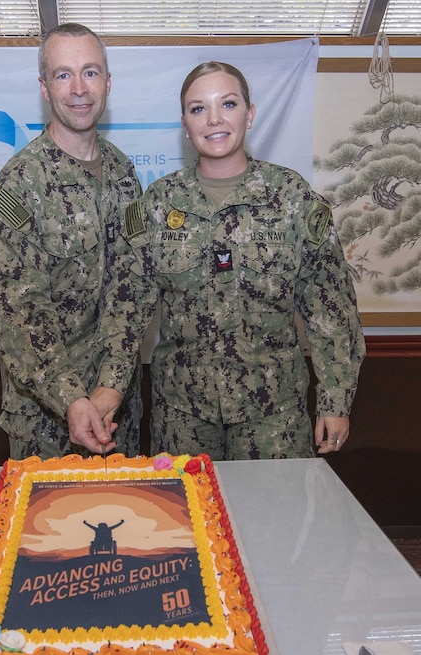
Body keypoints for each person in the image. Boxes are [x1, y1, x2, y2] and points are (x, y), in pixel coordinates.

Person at [108, 61, 365, 460]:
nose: (214, 119)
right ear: (185, 123)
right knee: (188, 519)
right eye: (198, 109)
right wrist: (109, 388)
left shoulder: (293, 199)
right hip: (182, 416)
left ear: (250, 113)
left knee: (272, 521)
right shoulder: (157, 205)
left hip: (273, 417)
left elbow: (331, 309)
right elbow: (126, 311)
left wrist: (335, 400)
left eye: (227, 104)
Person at [0, 23, 143, 460]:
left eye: (90, 73)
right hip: (46, 420)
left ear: (108, 83)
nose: (78, 89)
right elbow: (18, 309)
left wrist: (110, 385)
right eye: (62, 75)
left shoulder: (125, 175)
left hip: (117, 413)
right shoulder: (19, 184)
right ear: (43, 86)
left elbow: (132, 285)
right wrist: (73, 399)